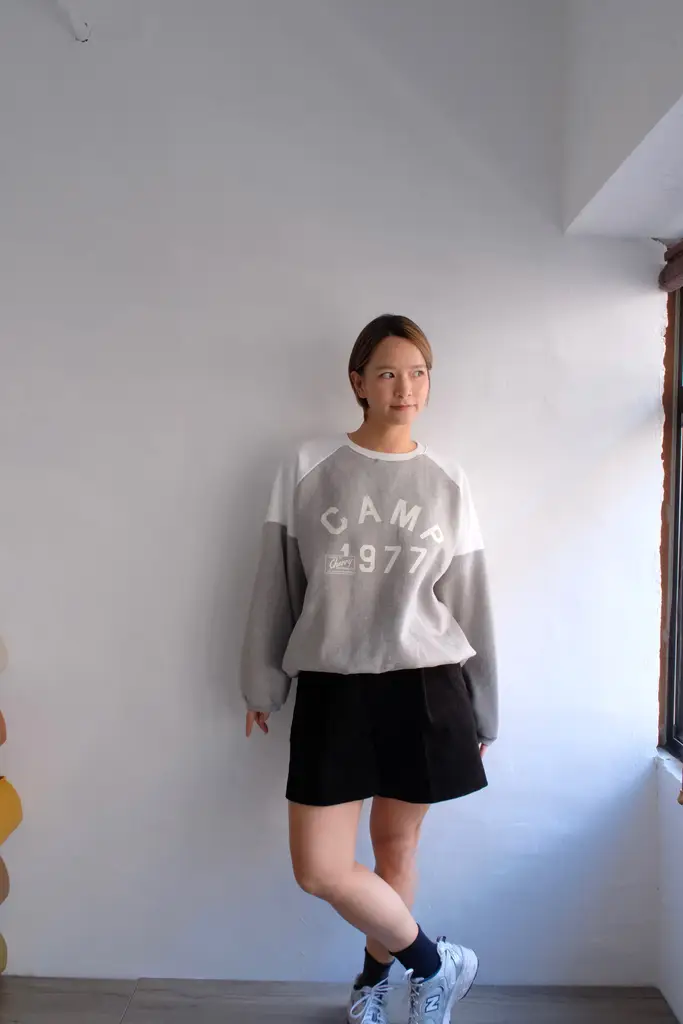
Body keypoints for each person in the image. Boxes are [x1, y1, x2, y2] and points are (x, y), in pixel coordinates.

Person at [241, 314, 498, 1024]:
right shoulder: (307, 465)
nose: (404, 388)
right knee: (318, 869)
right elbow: (277, 581)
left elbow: (470, 599)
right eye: (387, 373)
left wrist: (486, 710)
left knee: (395, 849)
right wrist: (263, 682)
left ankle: (373, 986)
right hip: (334, 686)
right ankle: (435, 963)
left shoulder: (447, 478)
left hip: (426, 686)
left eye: (418, 373)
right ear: (358, 382)